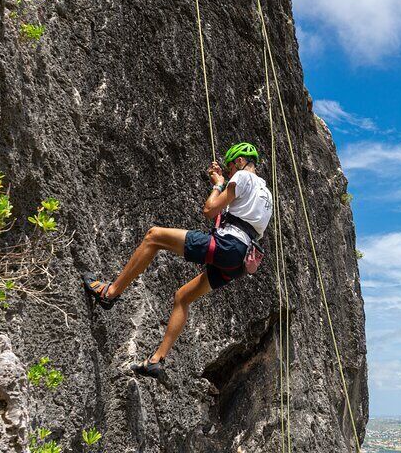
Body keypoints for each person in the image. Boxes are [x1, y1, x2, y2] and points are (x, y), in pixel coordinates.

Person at [82, 142, 273, 380]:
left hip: (228, 245)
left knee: (154, 236)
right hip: (240, 261)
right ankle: (156, 360)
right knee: (183, 297)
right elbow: (235, 219)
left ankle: (109, 293)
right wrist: (221, 183)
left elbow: (210, 210)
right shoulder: (267, 195)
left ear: (240, 162)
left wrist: (219, 185)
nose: (231, 172)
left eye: (231, 168)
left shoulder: (243, 176)